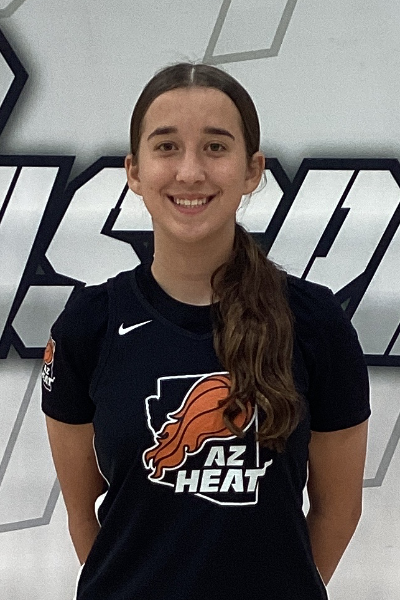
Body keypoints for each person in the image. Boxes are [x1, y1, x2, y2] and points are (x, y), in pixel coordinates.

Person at [41, 62, 371, 600]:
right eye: (166, 147)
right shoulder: (88, 325)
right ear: (134, 171)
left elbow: (339, 511)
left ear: (252, 170)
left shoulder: (315, 323)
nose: (190, 172)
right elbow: (83, 514)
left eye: (216, 147)